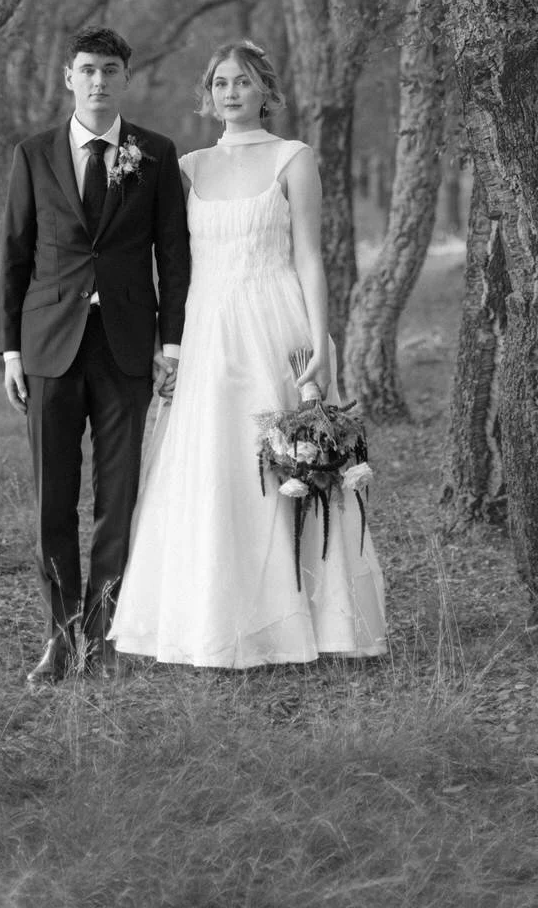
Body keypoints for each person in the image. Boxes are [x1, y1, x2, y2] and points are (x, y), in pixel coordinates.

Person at [110, 40, 387, 667]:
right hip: (208, 330)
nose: (230, 92)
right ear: (208, 96)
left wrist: (322, 342)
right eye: (220, 83)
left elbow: (309, 256)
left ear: (265, 90)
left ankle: (302, 621)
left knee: (285, 465)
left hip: (274, 324)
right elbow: (169, 263)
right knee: (213, 466)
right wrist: (166, 345)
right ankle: (214, 622)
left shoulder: (294, 158)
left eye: (242, 81)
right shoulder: (187, 167)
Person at [0, 25, 190, 685]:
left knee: (118, 497)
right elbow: (15, 256)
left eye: (110, 69)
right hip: (48, 348)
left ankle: (105, 636)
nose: (99, 80)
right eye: (87, 69)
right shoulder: (33, 154)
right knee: (52, 502)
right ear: (69, 77)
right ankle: (59, 638)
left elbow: (173, 255)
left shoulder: (156, 153)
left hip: (127, 348)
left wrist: (171, 344)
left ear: (125, 78)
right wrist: (10, 351)